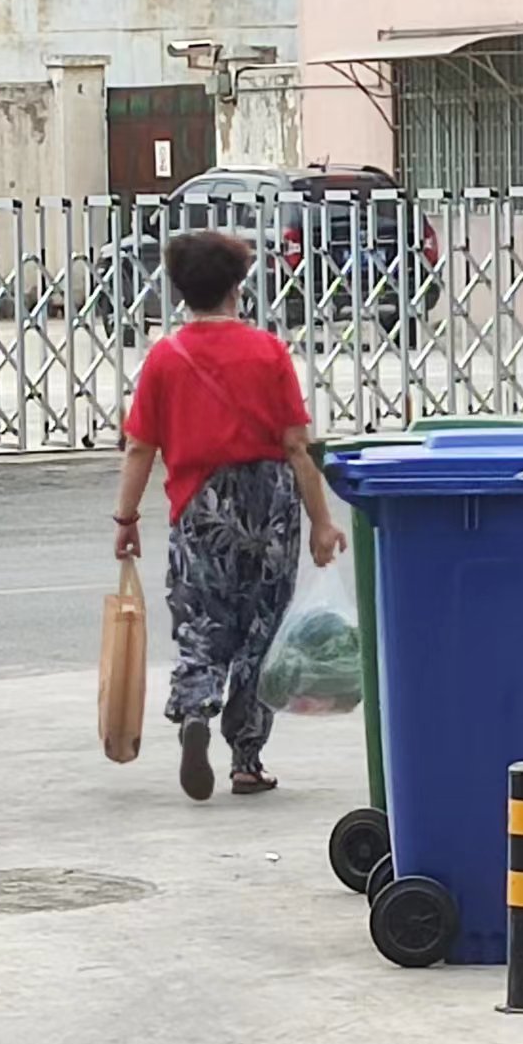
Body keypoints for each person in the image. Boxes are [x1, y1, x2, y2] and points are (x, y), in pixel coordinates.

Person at [112, 230, 347, 801]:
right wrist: (321, 519)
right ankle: (247, 758)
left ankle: (195, 710)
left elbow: (140, 447)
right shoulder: (268, 352)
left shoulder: (166, 358)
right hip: (269, 505)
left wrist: (125, 519)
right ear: (239, 288)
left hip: (200, 507)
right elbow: (297, 444)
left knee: (201, 623)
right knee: (261, 630)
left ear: (179, 291)